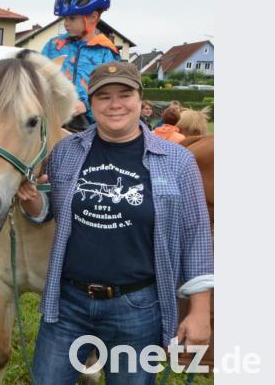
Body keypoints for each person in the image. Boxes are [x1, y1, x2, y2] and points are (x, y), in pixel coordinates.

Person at [19, 62, 213, 384]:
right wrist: (34, 201)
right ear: (92, 104)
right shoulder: (66, 151)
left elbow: (195, 234)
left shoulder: (178, 161)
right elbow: (52, 211)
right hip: (68, 304)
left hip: (136, 309)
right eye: (104, 96)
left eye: (124, 94)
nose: (115, 104)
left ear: (140, 99)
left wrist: (199, 311)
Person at [41, 0, 121, 130]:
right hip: (51, 125)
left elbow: (113, 95)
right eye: (64, 18)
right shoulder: (53, 46)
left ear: (93, 17)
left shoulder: (107, 53)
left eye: (72, 18)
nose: (66, 23)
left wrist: (87, 107)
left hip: (88, 129)